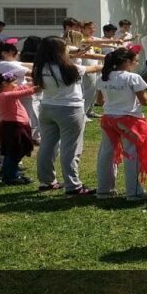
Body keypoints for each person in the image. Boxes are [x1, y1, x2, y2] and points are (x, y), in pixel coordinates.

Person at [32, 36, 103, 195]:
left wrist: (76, 52)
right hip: (70, 110)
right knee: (70, 148)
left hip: (47, 108)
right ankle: (73, 185)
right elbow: (95, 68)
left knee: (46, 146)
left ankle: (46, 181)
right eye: (65, 47)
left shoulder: (39, 67)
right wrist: (106, 62)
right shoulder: (71, 67)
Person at [95, 48, 147, 201]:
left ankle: (104, 190)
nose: (137, 63)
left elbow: (99, 102)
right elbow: (145, 100)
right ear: (127, 62)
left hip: (108, 119)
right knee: (132, 155)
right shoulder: (133, 77)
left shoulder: (103, 77)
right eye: (135, 61)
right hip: (129, 120)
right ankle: (134, 192)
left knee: (106, 154)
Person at [0, 72, 37, 185]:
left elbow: (23, 87)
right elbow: (27, 91)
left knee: (14, 152)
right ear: (5, 84)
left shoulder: (7, 93)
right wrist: (38, 87)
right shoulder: (4, 95)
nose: (16, 84)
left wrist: (35, 82)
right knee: (15, 152)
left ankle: (8, 172)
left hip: (16, 126)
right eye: (14, 82)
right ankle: (11, 177)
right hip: (13, 127)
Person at [0, 42, 38, 141]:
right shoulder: (6, 64)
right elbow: (31, 73)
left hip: (12, 98)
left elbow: (23, 64)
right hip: (18, 98)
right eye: (14, 52)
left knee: (11, 124)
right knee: (21, 123)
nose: (18, 54)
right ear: (4, 53)